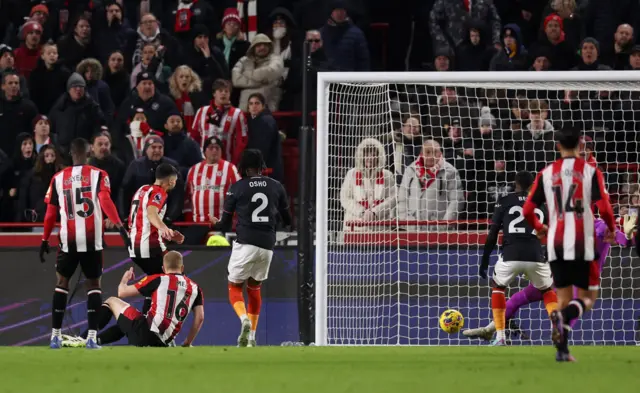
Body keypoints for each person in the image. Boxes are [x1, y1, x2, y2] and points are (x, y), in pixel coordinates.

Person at [522, 126, 616, 362]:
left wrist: (538, 226)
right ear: (579, 146)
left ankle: (562, 350)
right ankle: (563, 319)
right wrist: (612, 230)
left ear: (558, 146)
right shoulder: (589, 171)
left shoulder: (545, 173)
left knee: (562, 298)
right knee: (587, 298)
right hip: (582, 242)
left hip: (555, 243)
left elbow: (527, 210)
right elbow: (604, 208)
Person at [465, 218, 634, 342]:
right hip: (563, 276)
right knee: (518, 299)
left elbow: (623, 240)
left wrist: (628, 235)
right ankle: (489, 330)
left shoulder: (600, 225)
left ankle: (559, 339)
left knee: (565, 312)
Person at [39, 138, 130, 349]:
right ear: (89, 152)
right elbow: (106, 201)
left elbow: (50, 213)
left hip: (67, 241)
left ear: (71, 154)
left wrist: (44, 239)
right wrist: (120, 226)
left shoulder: (58, 178)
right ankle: (90, 337)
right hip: (92, 241)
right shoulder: (99, 175)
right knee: (94, 286)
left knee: (61, 284)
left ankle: (55, 336)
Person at [210, 149, 291, 346]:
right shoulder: (276, 186)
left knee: (234, 286)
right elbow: (287, 220)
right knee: (254, 287)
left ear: (244, 168)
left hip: (245, 243)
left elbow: (225, 224)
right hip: (267, 246)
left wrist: (215, 223)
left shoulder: (237, 188)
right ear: (261, 167)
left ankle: (243, 319)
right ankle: (252, 337)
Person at [477, 171, 557, 346]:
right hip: (536, 255)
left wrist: (484, 260)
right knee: (548, 291)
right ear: (533, 184)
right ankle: (556, 328)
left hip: (510, 255)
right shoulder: (542, 203)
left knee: (498, 287)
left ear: (515, 183)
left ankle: (500, 337)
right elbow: (552, 233)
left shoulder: (505, 201)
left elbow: (492, 235)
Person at [63, 251, 204, 348]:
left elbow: (121, 292)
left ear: (163, 268)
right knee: (126, 322)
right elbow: (200, 318)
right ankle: (94, 340)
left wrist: (125, 279)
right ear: (182, 267)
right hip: (163, 342)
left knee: (112, 301)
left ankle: (83, 338)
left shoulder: (159, 279)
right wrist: (187, 342)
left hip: (146, 333)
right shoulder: (196, 288)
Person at [127, 163, 184, 315]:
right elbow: (151, 213)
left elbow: (142, 218)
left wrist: (169, 233)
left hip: (133, 246)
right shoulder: (160, 192)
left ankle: (147, 321)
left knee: (156, 281)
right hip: (150, 246)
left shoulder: (142, 190)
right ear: (171, 181)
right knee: (176, 280)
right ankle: (152, 323)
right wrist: (164, 228)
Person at [183, 136, 240, 245]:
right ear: (204, 151)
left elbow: (239, 195)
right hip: (198, 224)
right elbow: (188, 197)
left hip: (222, 224)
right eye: (211, 148)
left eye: (217, 148)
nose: (214, 150)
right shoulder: (194, 170)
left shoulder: (230, 168)